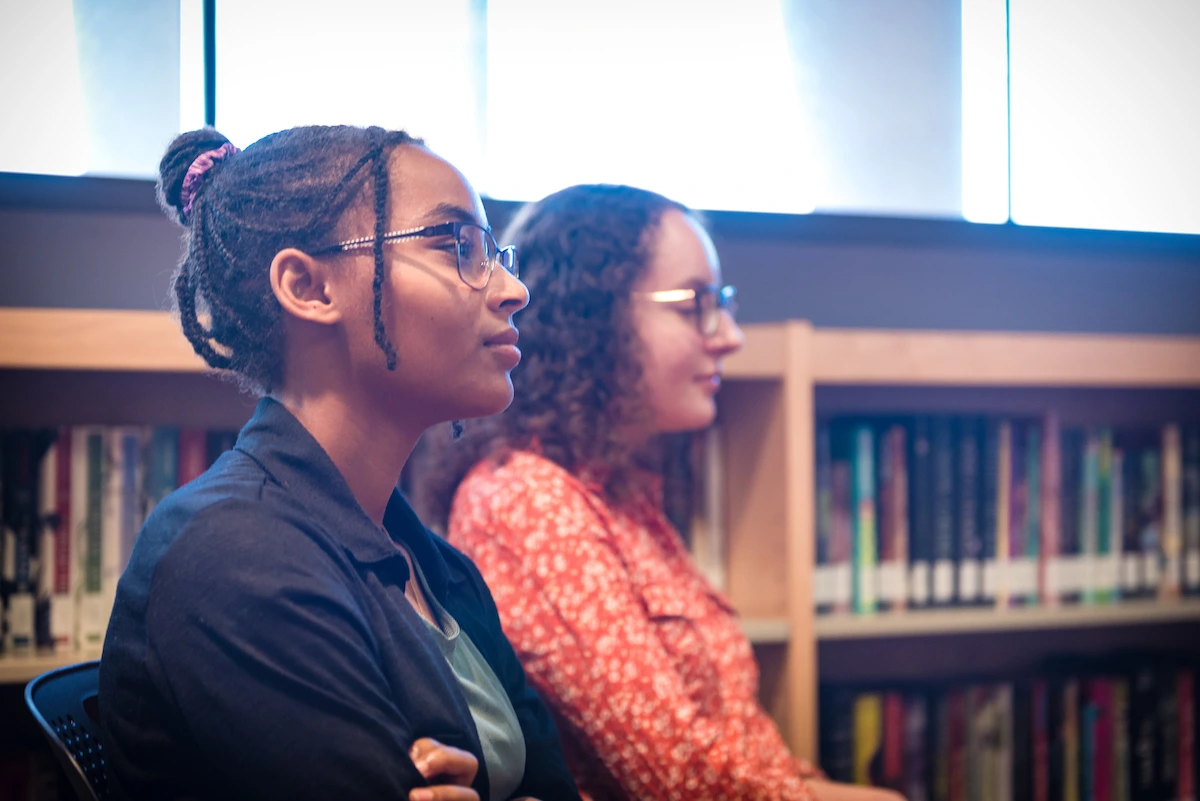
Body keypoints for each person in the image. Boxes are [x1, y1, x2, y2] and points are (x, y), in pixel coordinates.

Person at [98, 125, 580, 801]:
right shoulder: (235, 555)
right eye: (455, 246)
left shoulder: (441, 568)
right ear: (308, 285)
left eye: (495, 252)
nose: (512, 289)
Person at [413, 185, 904, 801]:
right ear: (595, 317)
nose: (728, 334)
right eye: (694, 304)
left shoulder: (616, 492)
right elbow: (681, 777)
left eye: (720, 302)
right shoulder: (528, 501)